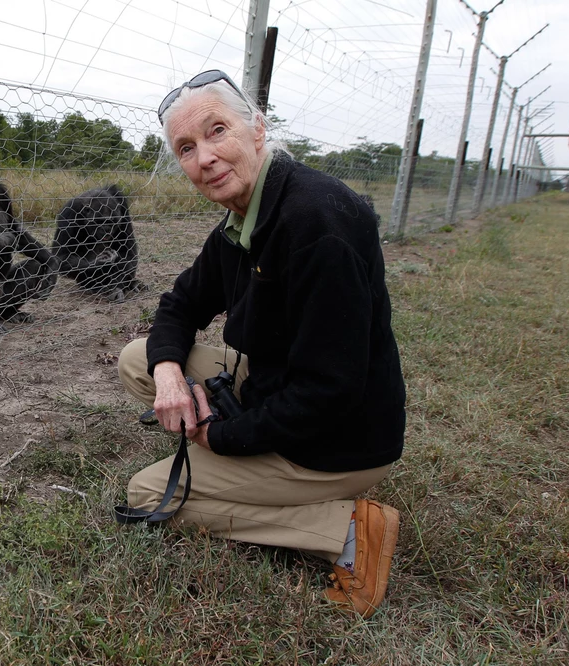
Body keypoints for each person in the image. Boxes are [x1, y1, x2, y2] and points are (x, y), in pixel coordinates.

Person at [118, 70, 407, 618]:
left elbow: (329, 391)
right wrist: (170, 376)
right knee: (142, 359)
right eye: (186, 147)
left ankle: (347, 530)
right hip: (281, 387)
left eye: (216, 130)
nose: (204, 157)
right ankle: (235, 443)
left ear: (257, 129)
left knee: (147, 494)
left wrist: (220, 436)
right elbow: (180, 305)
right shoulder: (242, 218)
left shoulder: (317, 222)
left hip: (339, 440)